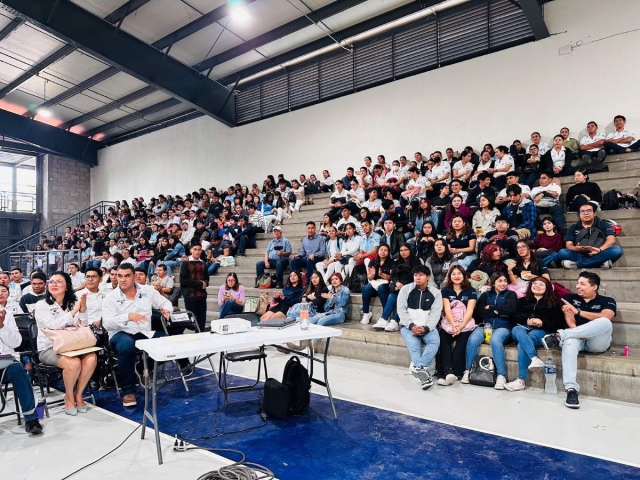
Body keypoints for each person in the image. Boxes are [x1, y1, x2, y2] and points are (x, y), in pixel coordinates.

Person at [542, 271, 616, 409]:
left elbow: (607, 316)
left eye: (582, 284)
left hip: (597, 341)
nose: (578, 286)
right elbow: (569, 317)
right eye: (577, 283)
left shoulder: (607, 300)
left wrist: (579, 312)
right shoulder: (569, 298)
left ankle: (560, 335)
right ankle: (571, 390)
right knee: (569, 342)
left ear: (594, 287)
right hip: (577, 338)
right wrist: (576, 330)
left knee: (605, 322)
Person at [102, 264, 171, 407]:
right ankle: (128, 390)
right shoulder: (110, 297)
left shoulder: (147, 291)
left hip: (143, 332)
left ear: (134, 277)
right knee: (127, 346)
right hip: (120, 333)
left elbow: (164, 302)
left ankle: (142, 369)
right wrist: (128, 316)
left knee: (167, 342)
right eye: (119, 276)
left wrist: (166, 310)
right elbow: (107, 323)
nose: (122, 279)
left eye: (127, 276)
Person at [34, 271, 97, 415]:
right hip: (49, 348)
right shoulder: (41, 304)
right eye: (52, 282)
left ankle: (79, 394)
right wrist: (74, 311)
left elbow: (84, 325)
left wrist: (83, 309)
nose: (54, 284)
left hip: (72, 345)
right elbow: (52, 325)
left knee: (91, 358)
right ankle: (68, 396)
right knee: (73, 363)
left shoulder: (73, 302)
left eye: (59, 281)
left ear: (67, 286)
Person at [505, 277, 564, 392]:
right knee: (516, 329)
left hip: (540, 330)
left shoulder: (554, 304)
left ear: (547, 288)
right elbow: (514, 316)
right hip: (522, 328)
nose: (537, 286)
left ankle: (521, 380)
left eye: (541, 284)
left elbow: (558, 323)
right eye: (534, 283)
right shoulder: (522, 301)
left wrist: (542, 322)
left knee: (523, 344)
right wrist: (527, 319)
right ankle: (534, 357)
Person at [462, 272, 517, 389]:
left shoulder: (511, 294)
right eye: (500, 281)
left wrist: (491, 308)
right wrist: (500, 311)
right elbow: (480, 311)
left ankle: (501, 376)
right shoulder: (485, 295)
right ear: (493, 283)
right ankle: (468, 370)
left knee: (495, 341)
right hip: (485, 325)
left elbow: (510, 309)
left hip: (504, 326)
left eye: (505, 281)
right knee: (472, 340)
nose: (503, 283)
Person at [0, 303, 44, 436]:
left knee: (18, 370)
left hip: (5, 362)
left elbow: (16, 343)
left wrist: (1, 327)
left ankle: (31, 419)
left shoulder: (4, 313)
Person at [397, 265, 443, 390]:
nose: (418, 277)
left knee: (434, 341)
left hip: (428, 327)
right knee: (414, 346)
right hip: (408, 326)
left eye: (421, 275)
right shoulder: (406, 289)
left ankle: (419, 367)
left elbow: (435, 314)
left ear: (428, 277)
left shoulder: (436, 293)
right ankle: (425, 375)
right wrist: (412, 326)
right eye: (416, 275)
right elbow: (401, 310)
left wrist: (426, 328)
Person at [438, 266, 477, 385]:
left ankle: (456, 373)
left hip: (465, 324)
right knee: (443, 341)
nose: (456, 276)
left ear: (464, 275)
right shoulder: (445, 290)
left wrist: (460, 327)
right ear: (449, 276)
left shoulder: (471, 290)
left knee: (459, 348)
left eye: (459, 273)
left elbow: (470, 311)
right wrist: (454, 325)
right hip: (449, 323)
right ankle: (447, 372)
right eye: (453, 274)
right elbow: (447, 309)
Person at [557, 202, 623, 269]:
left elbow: (611, 239)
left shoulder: (603, 224)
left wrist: (599, 249)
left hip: (599, 253)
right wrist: (575, 249)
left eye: (589, 211)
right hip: (579, 254)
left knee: (616, 250)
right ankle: (598, 264)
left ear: (594, 214)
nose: (586, 213)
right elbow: (569, 244)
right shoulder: (573, 227)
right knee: (562, 252)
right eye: (582, 211)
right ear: (579, 214)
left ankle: (578, 265)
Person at [360, 244, 393, 327]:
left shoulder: (392, 263)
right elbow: (370, 278)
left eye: (385, 250)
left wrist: (381, 274)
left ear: (388, 252)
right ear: (378, 251)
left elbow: (391, 278)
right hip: (375, 282)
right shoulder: (372, 261)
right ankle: (366, 313)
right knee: (366, 288)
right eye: (381, 250)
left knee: (382, 288)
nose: (383, 252)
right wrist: (372, 275)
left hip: (385, 283)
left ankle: (385, 315)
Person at [180, 244, 209, 330]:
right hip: (190, 296)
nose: (197, 251)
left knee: (201, 321)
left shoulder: (203, 263)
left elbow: (207, 279)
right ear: (191, 250)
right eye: (195, 249)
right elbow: (183, 281)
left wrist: (205, 283)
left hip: (202, 296)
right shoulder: (186, 262)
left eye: (199, 250)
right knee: (191, 322)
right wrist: (200, 283)